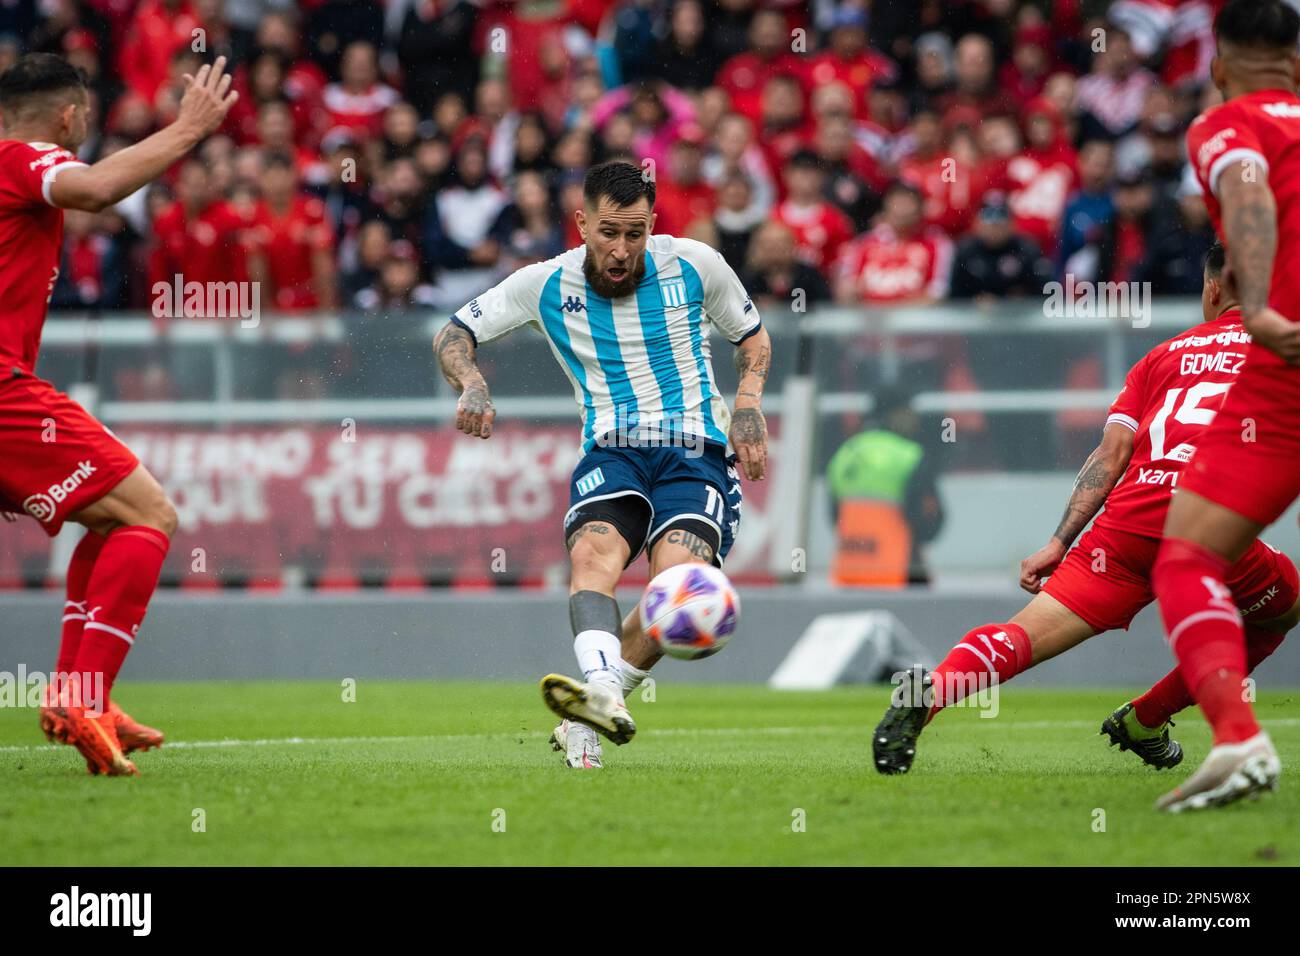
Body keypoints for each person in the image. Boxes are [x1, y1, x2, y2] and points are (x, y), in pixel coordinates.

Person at [871, 244, 1300, 799]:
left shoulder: (1161, 357)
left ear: (1213, 289)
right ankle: (1146, 718)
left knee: (1020, 636)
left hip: (1124, 526)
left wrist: (1059, 540)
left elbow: (1110, 455)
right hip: (1209, 520)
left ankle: (931, 692)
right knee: (1280, 611)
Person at [432, 161, 770, 769]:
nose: (621, 250)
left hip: (695, 453)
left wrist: (747, 406)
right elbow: (455, 333)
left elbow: (752, 337)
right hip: (612, 450)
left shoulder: (696, 264)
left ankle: (595, 702)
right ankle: (601, 695)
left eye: (635, 233)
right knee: (593, 554)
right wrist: (472, 383)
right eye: (609, 232)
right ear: (582, 222)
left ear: (652, 225)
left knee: (676, 594)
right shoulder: (544, 283)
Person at [0, 52, 236, 776]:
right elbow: (98, 188)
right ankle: (84, 696)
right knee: (150, 515)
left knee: (107, 519)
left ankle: (79, 699)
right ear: (69, 117)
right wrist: (188, 130)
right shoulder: (23, 158)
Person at [1147, 0, 1300, 811]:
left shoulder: (1223, 124)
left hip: (1287, 364)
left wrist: (1267, 311)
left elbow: (1249, 192)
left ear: (1218, 68)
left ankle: (1238, 740)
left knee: (1188, 560)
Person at [826, 385, 944, 586]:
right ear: (894, 414)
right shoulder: (909, 455)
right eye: (909, 410)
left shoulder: (845, 453)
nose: (914, 417)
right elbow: (929, 519)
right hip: (900, 573)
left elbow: (834, 516)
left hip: (849, 574)